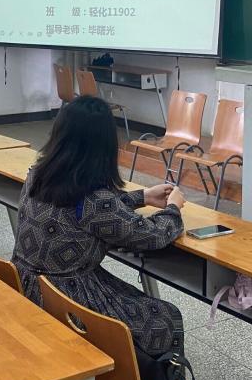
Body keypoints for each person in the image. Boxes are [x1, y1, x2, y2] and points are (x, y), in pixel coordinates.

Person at [13, 95, 187, 359]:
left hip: (25, 283)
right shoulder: (93, 199)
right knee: (166, 318)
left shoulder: (37, 174)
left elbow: (84, 212)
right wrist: (173, 208)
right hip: (66, 297)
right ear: (103, 146)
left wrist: (142, 196)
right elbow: (150, 235)